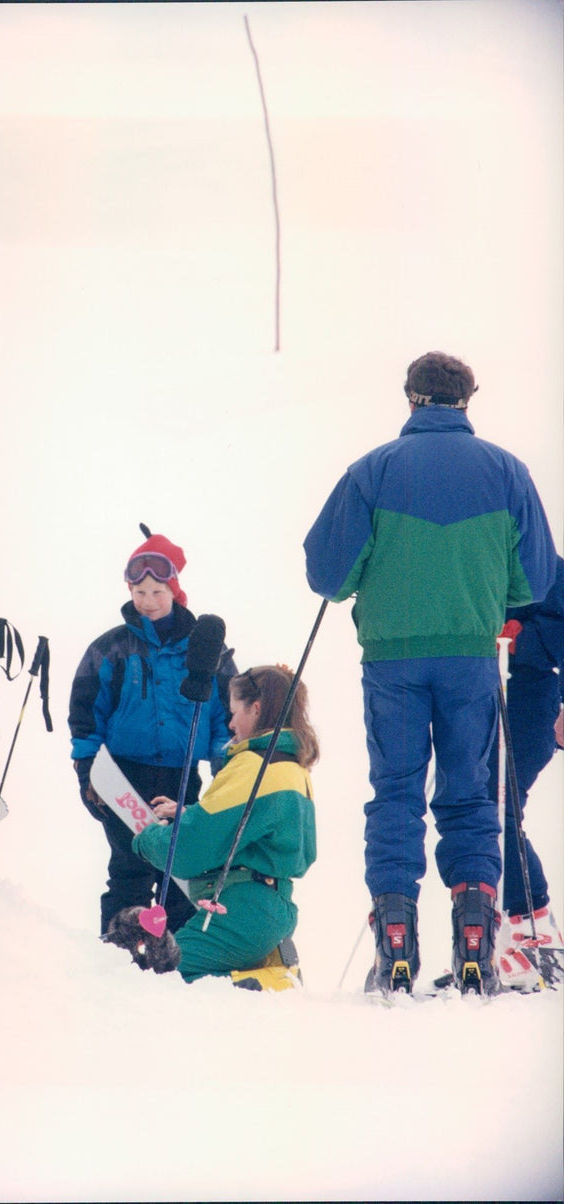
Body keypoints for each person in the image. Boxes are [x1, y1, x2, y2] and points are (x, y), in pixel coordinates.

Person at [303, 351, 557, 996]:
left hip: (391, 657)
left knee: (395, 791)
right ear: (468, 399)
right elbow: (538, 576)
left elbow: (327, 575)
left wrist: (374, 576)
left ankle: (394, 931)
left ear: (411, 398)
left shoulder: (372, 470)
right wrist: (487, 599)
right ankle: (475, 922)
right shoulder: (507, 471)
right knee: (471, 795)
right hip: (472, 655)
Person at [68, 526, 237, 935]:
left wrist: (225, 769)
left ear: (175, 591)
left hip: (181, 778)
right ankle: (119, 948)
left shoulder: (205, 649)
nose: (147, 603)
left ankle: (178, 952)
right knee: (129, 867)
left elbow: (224, 713)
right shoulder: (111, 649)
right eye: (138, 593)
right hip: (124, 776)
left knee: (182, 870)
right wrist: (88, 769)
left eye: (157, 593)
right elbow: (87, 713)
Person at [127, 665, 318, 987]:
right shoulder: (290, 766)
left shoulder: (254, 766)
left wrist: (146, 839)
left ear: (255, 709)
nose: (230, 723)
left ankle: (266, 983)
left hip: (242, 910)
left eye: (234, 712)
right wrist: (191, 813)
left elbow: (189, 850)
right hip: (271, 906)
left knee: (157, 979)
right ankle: (261, 979)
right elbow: (251, 827)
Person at [492, 555, 564, 990]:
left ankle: (534, 933)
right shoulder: (477, 550)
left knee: (500, 803)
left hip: (533, 697)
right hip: (484, 692)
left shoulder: (542, 562)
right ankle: (492, 939)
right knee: (481, 806)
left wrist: (521, 640)